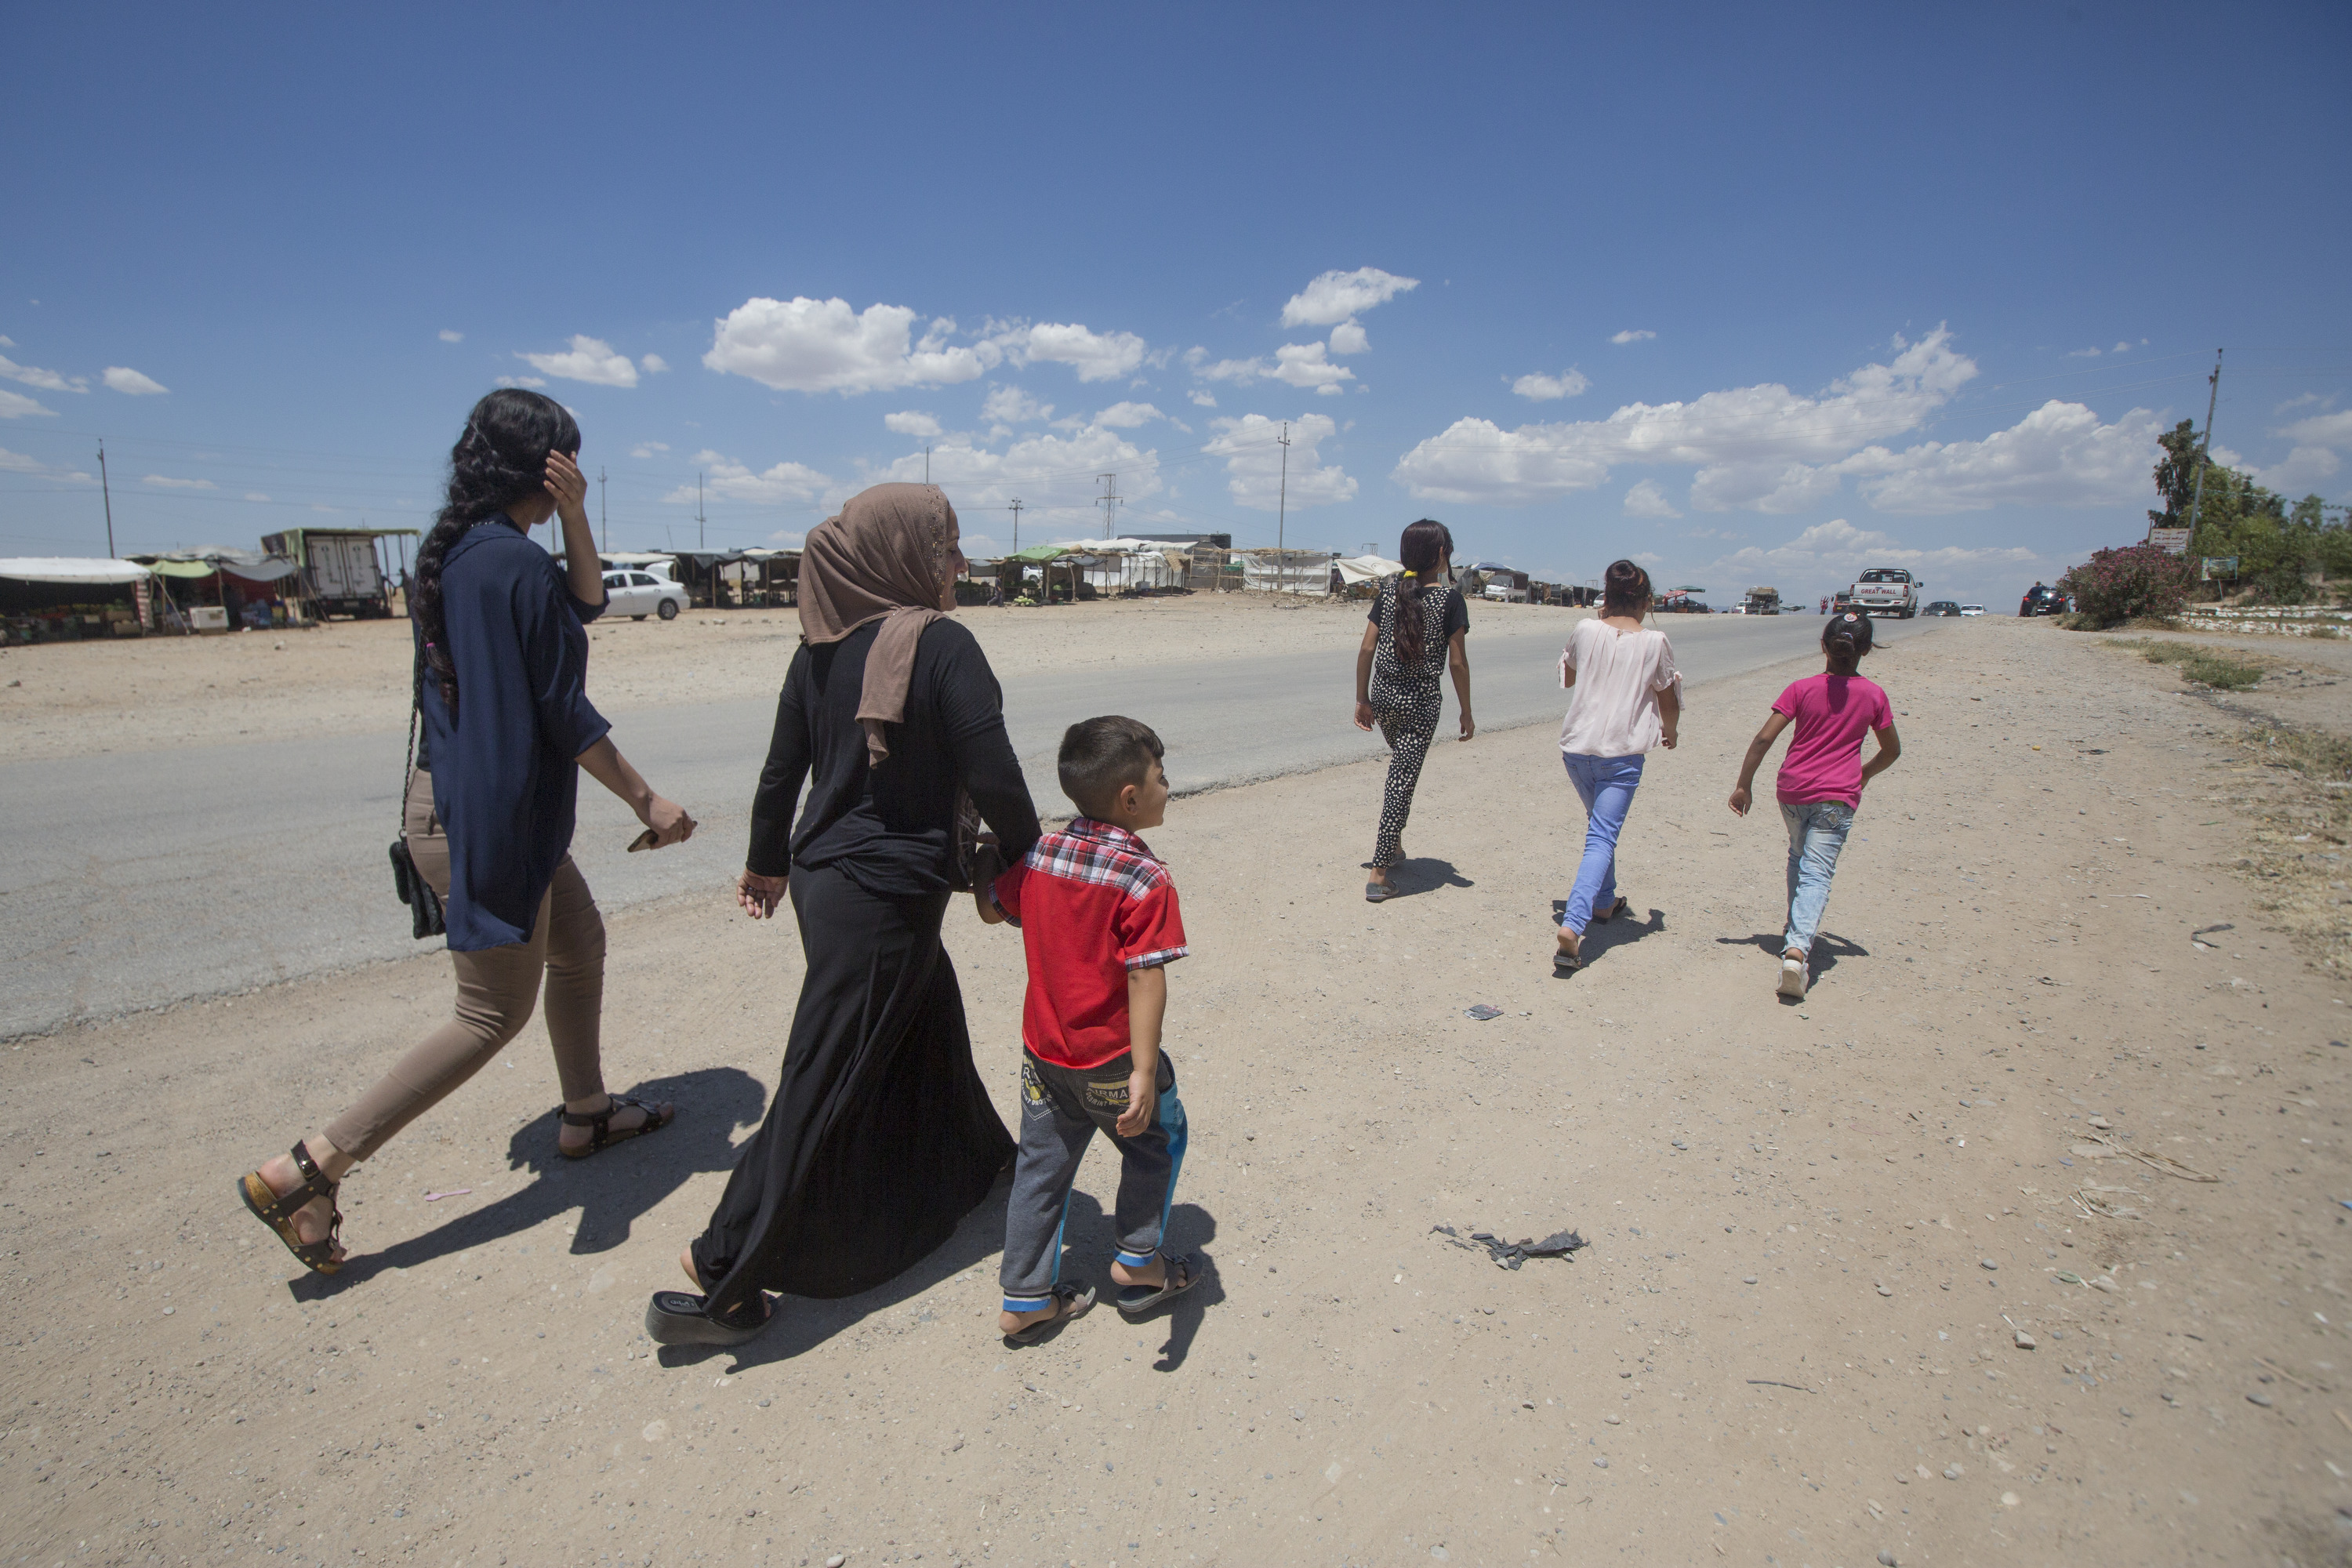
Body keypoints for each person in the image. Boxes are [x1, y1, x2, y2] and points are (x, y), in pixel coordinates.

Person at [236, 388, 697, 1275]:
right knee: (489, 1013)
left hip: (463, 803)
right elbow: (566, 708)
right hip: (488, 817)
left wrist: (574, 520)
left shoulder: (459, 556)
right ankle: (310, 1167)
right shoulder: (514, 569)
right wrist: (647, 800)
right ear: (549, 466)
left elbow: (586, 604)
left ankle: (586, 1110)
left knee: (581, 942)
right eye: (571, 462)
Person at [648, 482, 1043, 1348]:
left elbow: (780, 774)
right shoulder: (943, 647)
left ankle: (976, 1163)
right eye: (948, 550)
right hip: (883, 894)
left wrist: (766, 859)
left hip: (830, 882)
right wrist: (1033, 863)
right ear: (903, 554)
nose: (960, 565)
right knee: (823, 1069)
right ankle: (721, 1264)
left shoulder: (817, 650)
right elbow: (997, 774)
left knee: (925, 1013)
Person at [977, 717, 1200, 1344]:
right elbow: (1144, 978)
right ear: (1130, 797)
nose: (1167, 786)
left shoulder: (1043, 854)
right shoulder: (1144, 877)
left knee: (1041, 1165)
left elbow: (991, 908)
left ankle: (1024, 1297)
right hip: (1108, 1060)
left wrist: (986, 856)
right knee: (1157, 1142)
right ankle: (1139, 1264)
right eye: (1161, 776)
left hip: (1044, 1055)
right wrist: (1145, 1072)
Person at [1726, 611, 1900, 999]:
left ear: (1823, 645)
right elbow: (1892, 751)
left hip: (1793, 792)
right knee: (1818, 871)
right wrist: (1864, 773)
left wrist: (1743, 785)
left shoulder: (1801, 688)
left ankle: (1795, 930)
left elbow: (1762, 739)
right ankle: (1797, 951)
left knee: (1798, 856)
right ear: (1866, 651)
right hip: (1838, 795)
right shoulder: (1874, 695)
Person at [1552, 559, 1681, 975]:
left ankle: (1604, 902)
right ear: (1645, 601)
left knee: (1597, 827)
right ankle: (1574, 925)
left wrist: (1599, 623)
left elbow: (1569, 677)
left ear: (1606, 597)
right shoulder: (1656, 641)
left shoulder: (1587, 629)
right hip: (1621, 756)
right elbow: (1666, 698)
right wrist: (1671, 731)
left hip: (1577, 750)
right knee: (1601, 837)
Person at [1352, 520, 1473, 902]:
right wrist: (1466, 712)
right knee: (1400, 781)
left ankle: (1395, 843)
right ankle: (1379, 873)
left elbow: (1366, 649)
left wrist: (1362, 698)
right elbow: (1457, 663)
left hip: (1383, 700)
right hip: (1420, 705)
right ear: (1441, 555)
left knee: (1401, 774)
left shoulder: (1389, 592)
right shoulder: (1451, 600)